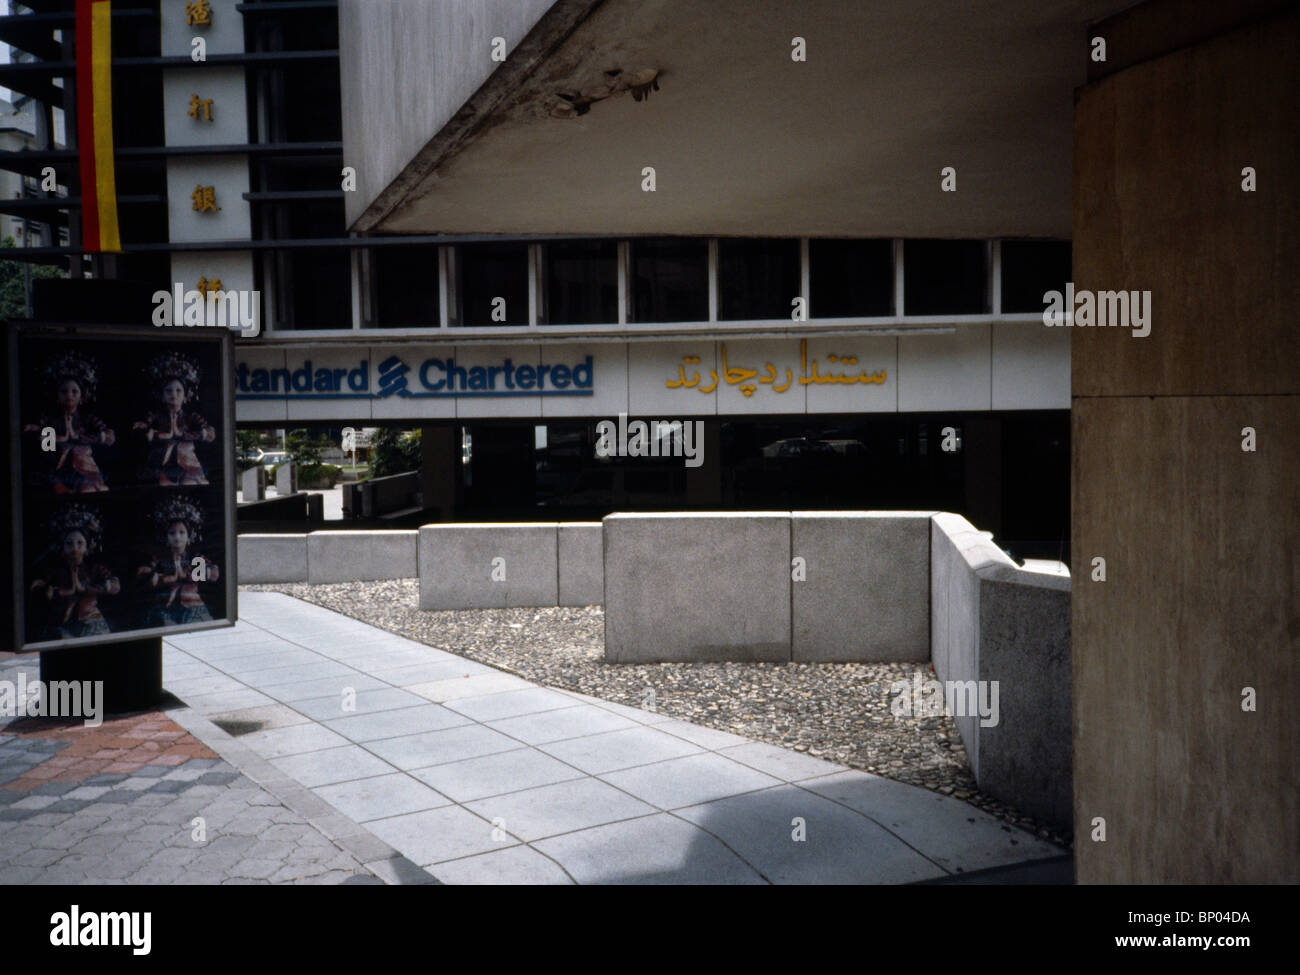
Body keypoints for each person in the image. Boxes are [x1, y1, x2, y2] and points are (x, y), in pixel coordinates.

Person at [23, 353, 114, 494]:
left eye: (74, 391)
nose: (69, 395)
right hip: (58, 467)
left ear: (82, 397)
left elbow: (109, 436)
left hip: (86, 468)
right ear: (57, 396)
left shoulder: (88, 419)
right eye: (64, 391)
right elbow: (43, 443)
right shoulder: (50, 419)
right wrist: (62, 439)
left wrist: (82, 438)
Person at [29, 505, 119, 640]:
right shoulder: (54, 570)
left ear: (87, 548)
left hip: (92, 622)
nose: (74, 549)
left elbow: (115, 585)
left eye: (80, 543)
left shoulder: (94, 569)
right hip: (62, 624)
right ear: (62, 547)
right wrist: (58, 592)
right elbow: (36, 588)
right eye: (69, 544)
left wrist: (87, 588)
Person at [133, 352, 215, 485]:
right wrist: (157, 434)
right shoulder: (155, 416)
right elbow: (140, 429)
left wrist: (188, 435)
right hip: (161, 463)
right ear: (161, 395)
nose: (174, 395)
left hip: (188, 464)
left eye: (178, 391)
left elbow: (209, 433)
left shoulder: (191, 417)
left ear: (186, 395)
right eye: (168, 391)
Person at [137, 497, 220, 626]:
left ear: (189, 536)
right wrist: (167, 578)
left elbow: (214, 573)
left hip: (192, 606)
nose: (177, 537)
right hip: (164, 607)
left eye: (182, 532)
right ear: (166, 536)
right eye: (172, 533)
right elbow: (143, 575)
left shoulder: (195, 557)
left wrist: (185, 574)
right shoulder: (158, 558)